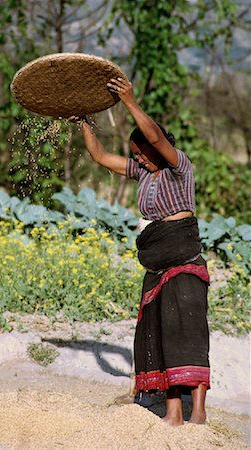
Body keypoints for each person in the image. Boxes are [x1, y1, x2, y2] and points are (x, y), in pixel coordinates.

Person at [69, 77, 210, 426]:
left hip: (184, 258)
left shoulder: (180, 168)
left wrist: (129, 101)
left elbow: (157, 137)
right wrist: (86, 122)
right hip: (157, 264)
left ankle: (200, 414)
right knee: (161, 333)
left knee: (188, 332)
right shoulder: (143, 174)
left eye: (141, 153)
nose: (139, 160)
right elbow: (100, 156)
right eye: (135, 156)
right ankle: (174, 412)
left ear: (153, 148)